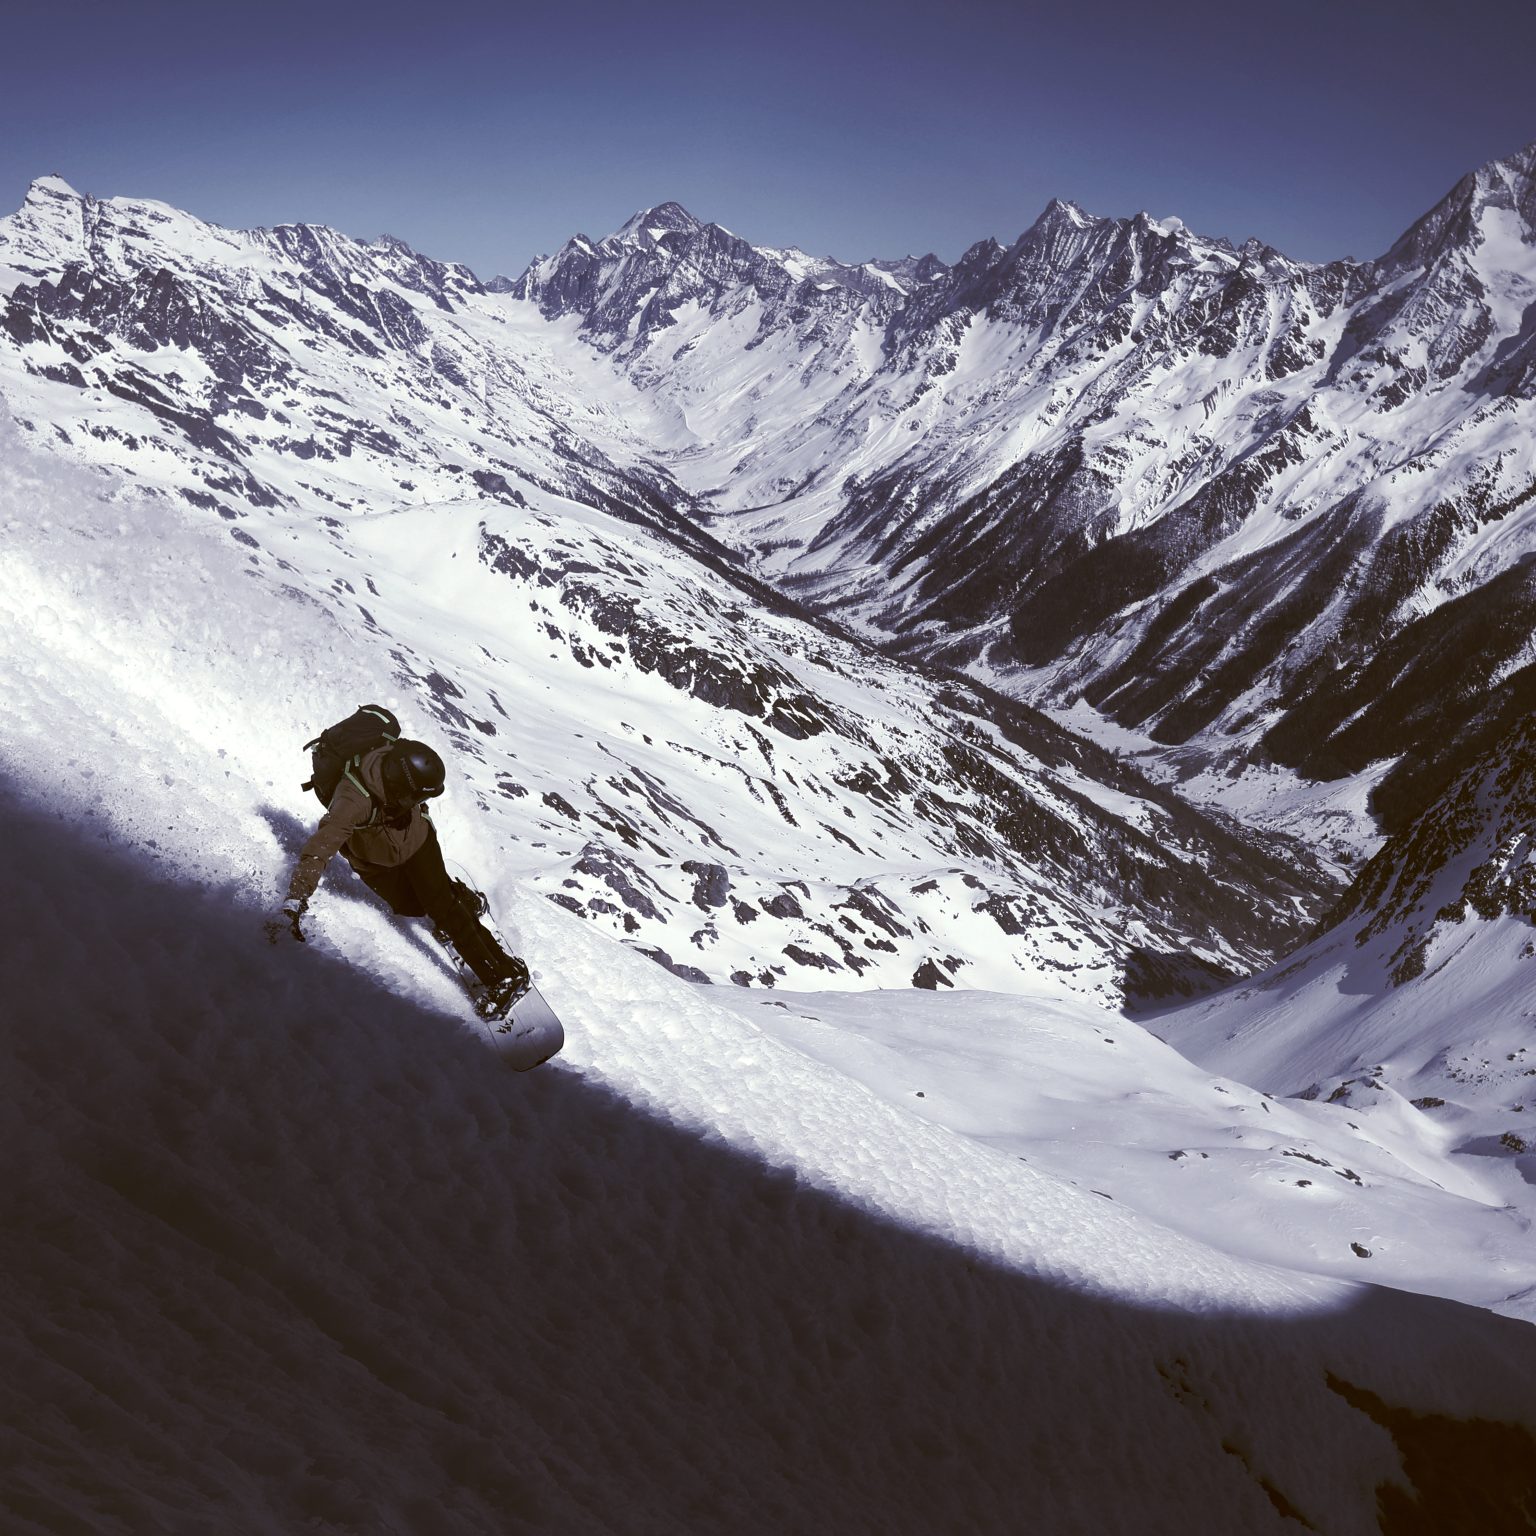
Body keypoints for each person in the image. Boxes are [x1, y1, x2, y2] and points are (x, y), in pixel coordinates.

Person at [267, 737, 530, 1014]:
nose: (418, 802)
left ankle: (504, 975)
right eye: (417, 796)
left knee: (442, 908)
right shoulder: (353, 802)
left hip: (418, 841)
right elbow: (319, 851)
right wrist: (295, 899)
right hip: (377, 864)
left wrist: (418, 810)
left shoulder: (395, 766)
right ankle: (462, 899)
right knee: (414, 906)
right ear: (399, 784)